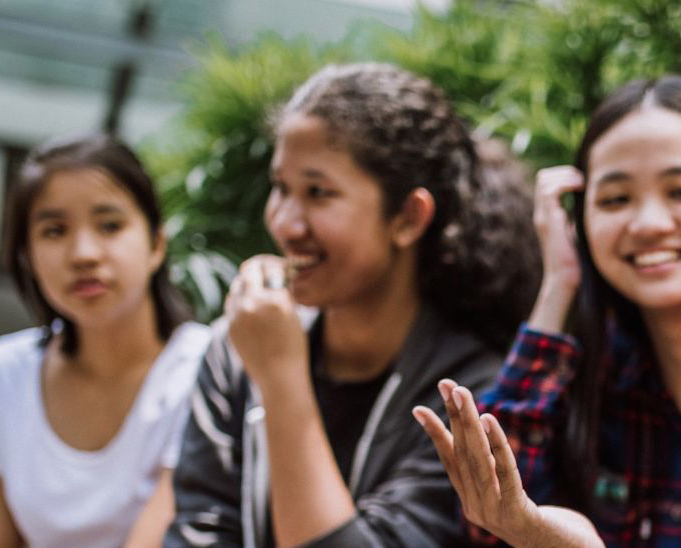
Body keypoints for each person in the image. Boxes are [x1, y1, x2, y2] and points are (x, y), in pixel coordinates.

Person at [164, 63, 541, 548]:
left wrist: (281, 380)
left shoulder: (471, 393)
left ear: (407, 217)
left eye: (318, 193)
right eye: (281, 188)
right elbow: (198, 532)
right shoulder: (234, 351)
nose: (285, 223)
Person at [415, 75, 681, 547]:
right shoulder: (588, 382)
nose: (649, 224)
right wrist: (559, 283)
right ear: (582, 218)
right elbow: (489, 522)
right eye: (615, 199)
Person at [0, 134, 212, 548]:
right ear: (28, 256)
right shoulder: (7, 370)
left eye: (110, 225)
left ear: (156, 244)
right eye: (54, 230)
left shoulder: (207, 365)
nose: (83, 254)